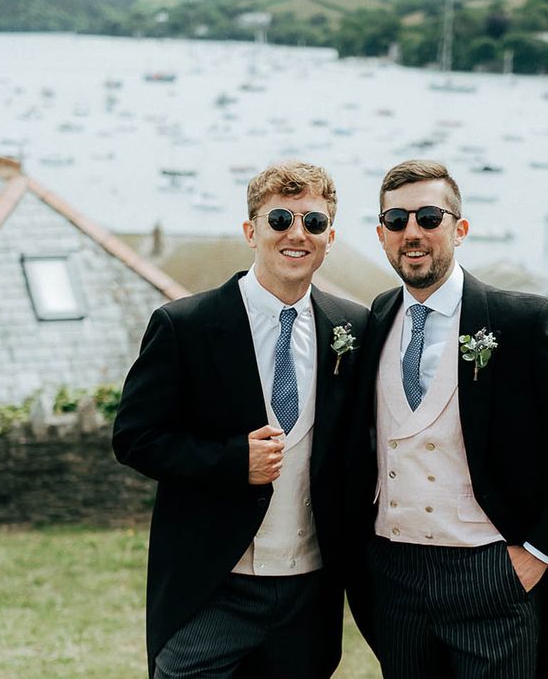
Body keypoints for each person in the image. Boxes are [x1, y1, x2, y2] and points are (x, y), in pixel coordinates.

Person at [350, 159, 548, 679]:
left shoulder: (519, 321)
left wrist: (536, 557)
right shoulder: (376, 317)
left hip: (491, 571)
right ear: (381, 234)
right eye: (397, 220)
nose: (413, 232)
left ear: (460, 228)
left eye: (429, 217)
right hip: (394, 575)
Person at [112, 161, 368, 679]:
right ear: (251, 231)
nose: (297, 234)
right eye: (280, 220)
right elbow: (135, 438)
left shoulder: (353, 327)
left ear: (330, 237)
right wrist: (232, 461)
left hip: (310, 591)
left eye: (313, 223)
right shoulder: (185, 326)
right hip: (214, 585)